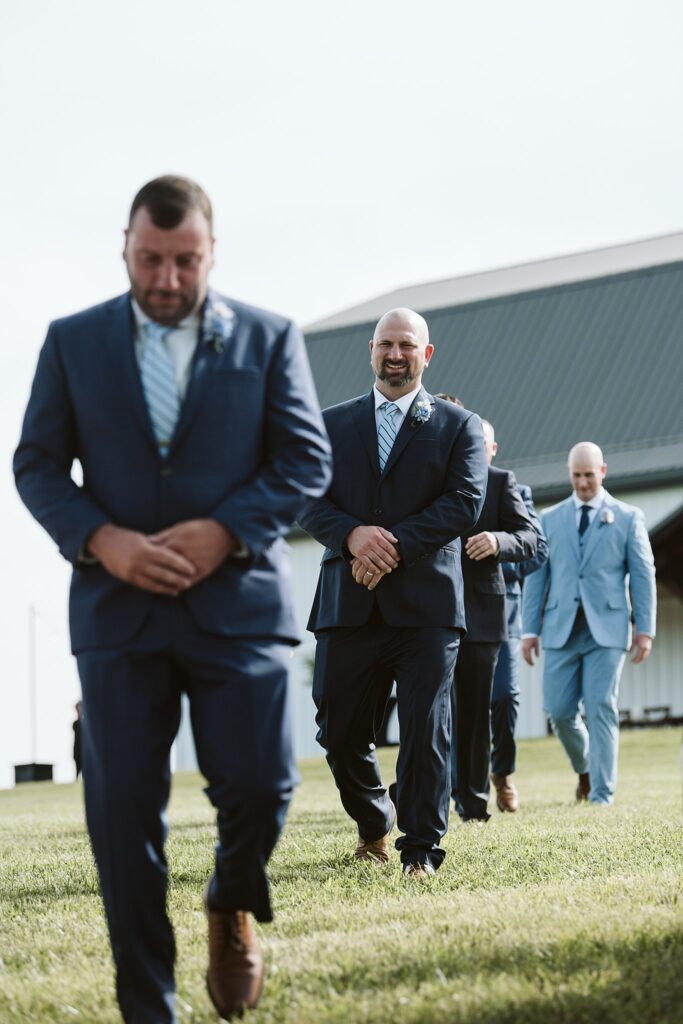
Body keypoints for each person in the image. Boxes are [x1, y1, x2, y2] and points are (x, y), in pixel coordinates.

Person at [14, 175, 331, 1023]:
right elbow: (36, 465)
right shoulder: (72, 342)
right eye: (149, 260)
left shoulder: (268, 339)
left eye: (183, 261)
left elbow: (305, 462)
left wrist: (227, 529)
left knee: (263, 786)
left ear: (211, 253)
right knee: (122, 823)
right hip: (117, 616)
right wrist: (102, 540)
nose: (164, 279)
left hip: (238, 607)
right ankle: (148, 1005)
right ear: (124, 245)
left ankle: (230, 901)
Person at [299, 307, 487, 879]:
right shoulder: (329, 424)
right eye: (386, 344)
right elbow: (305, 496)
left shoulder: (460, 427)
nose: (396, 354)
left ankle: (421, 849)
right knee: (337, 730)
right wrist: (352, 535)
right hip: (347, 602)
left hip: (426, 608)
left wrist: (394, 546)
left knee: (426, 727)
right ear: (371, 349)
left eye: (407, 345)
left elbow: (464, 502)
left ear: (426, 355)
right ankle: (376, 818)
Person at [522, 442, 656, 805]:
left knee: (600, 706)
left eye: (588, 475)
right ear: (570, 474)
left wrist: (644, 629)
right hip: (560, 628)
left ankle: (602, 794)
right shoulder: (549, 519)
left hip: (608, 630)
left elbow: (643, 575)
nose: (582, 483)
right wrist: (529, 630)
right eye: (576, 476)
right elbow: (537, 578)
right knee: (559, 711)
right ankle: (586, 769)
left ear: (603, 471)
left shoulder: (628, 518)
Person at [451, 418, 538, 822]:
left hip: (486, 613)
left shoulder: (502, 482)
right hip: (427, 608)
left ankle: (473, 802)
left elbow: (532, 540)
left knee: (476, 709)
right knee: (432, 711)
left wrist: (497, 542)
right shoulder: (433, 477)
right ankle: (425, 794)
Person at [490, 481, 548, 812]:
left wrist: (495, 557)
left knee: (505, 696)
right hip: (452, 609)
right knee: (454, 705)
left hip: (504, 612)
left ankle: (503, 773)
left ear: (492, 449)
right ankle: (461, 788)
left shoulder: (515, 491)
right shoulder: (443, 482)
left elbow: (538, 550)